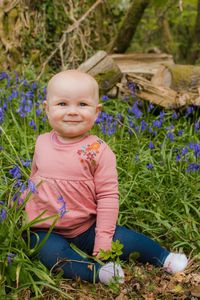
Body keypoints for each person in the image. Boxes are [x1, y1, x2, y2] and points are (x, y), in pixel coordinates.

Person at [26, 70, 188, 284]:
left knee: (125, 239)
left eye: (82, 104)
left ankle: (163, 256)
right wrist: (21, 204)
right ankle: (97, 273)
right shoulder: (42, 142)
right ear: (47, 109)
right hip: (44, 229)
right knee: (50, 255)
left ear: (97, 111)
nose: (72, 111)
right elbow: (34, 180)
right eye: (62, 104)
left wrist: (102, 238)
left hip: (85, 226)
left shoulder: (99, 151)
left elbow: (108, 197)